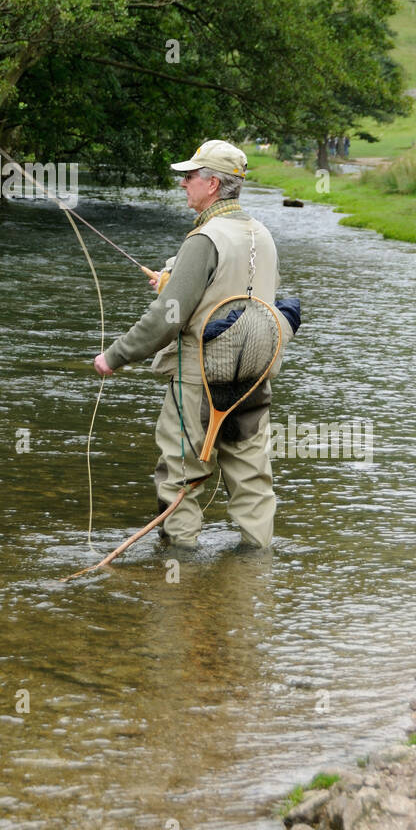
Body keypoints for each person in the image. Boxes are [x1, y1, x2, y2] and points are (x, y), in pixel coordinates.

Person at [93, 139, 295, 549]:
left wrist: (114, 357)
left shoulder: (204, 239)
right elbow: (249, 295)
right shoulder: (264, 235)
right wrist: (175, 282)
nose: (183, 183)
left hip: (198, 381)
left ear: (213, 185)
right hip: (254, 380)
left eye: (190, 176)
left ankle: (180, 572)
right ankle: (254, 577)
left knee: (180, 478)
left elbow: (167, 319)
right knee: (252, 480)